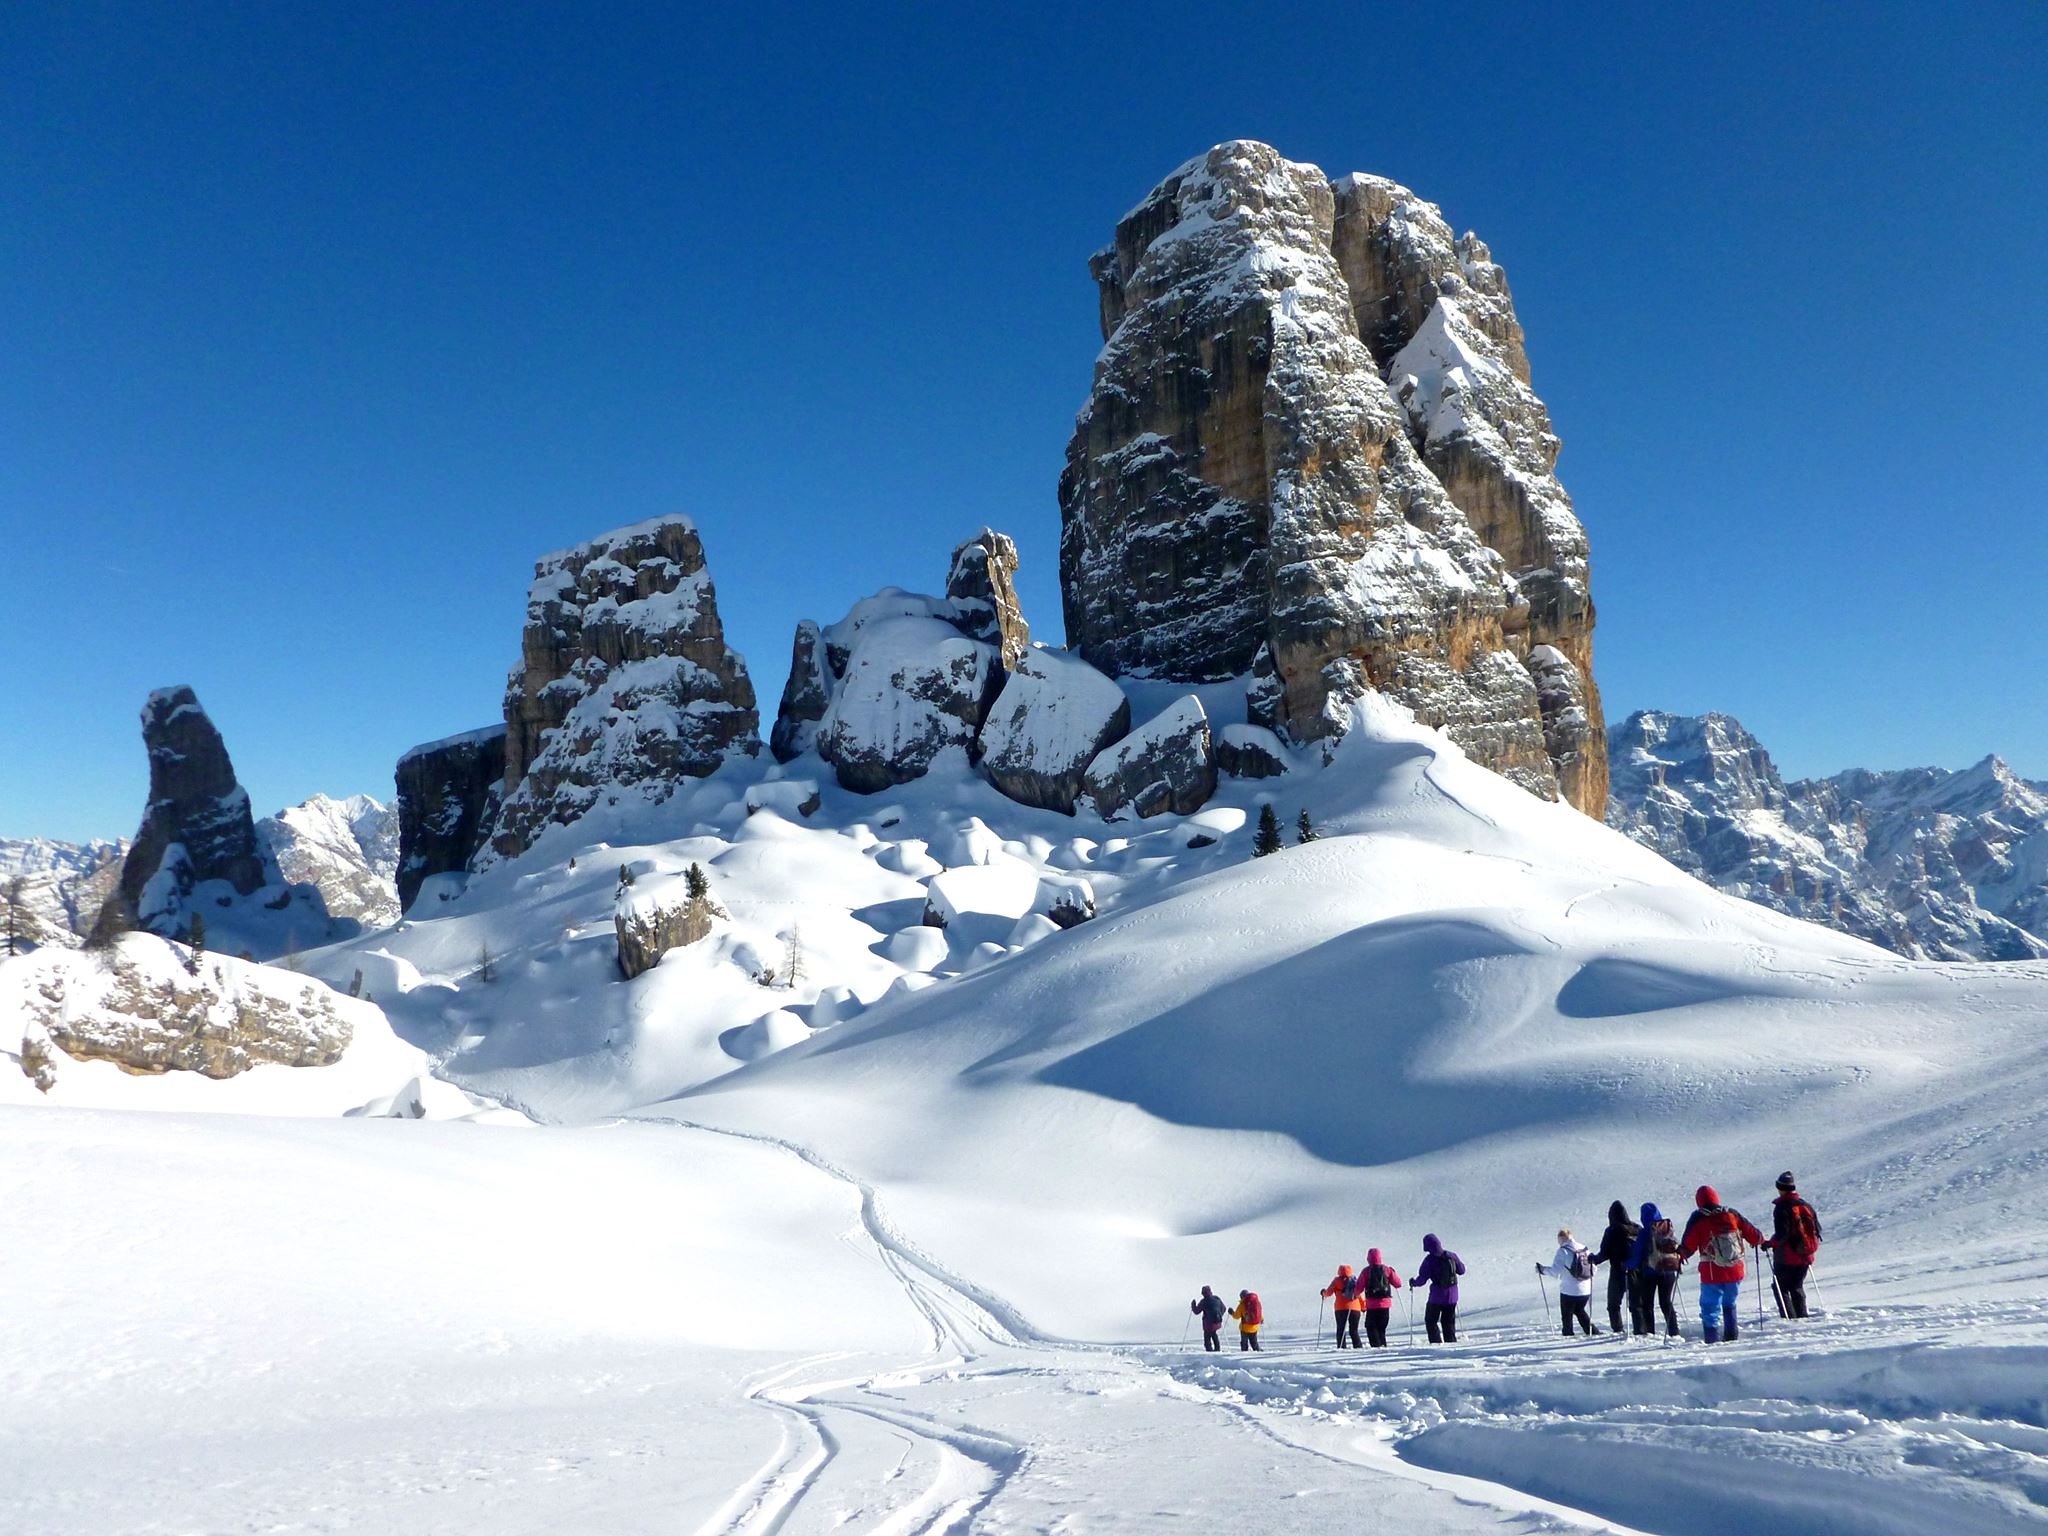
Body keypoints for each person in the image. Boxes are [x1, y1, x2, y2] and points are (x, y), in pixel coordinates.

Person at [1680, 1185, 1765, 1343]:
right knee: (1730, 1302)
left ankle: (1712, 1341)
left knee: (1710, 1308)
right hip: (1735, 1269)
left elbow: (1687, 1247)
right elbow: (1754, 1235)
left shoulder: (1698, 1218)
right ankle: (1731, 1338)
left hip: (1711, 1272)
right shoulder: (1731, 1213)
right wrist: (1760, 1240)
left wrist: (1679, 1255)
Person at [1762, 1171, 1823, 1318]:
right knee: (1796, 1286)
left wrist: (1769, 1244)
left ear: (1780, 1188)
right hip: (1806, 1254)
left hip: (1787, 1256)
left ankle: (1790, 1319)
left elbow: (1782, 1234)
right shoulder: (1805, 1206)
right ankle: (1802, 1316)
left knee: (1780, 1287)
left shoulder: (1782, 1207)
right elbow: (1817, 1229)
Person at [1537, 1228, 1600, 1336]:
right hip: (1585, 1289)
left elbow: (1555, 1272)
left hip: (1569, 1290)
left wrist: (1543, 1270)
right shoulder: (1584, 1248)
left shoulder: (1563, 1251)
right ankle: (1593, 1331)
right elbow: (1594, 1269)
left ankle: (1568, 1333)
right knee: (1579, 1310)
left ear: (1561, 1239)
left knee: (1567, 1314)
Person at [1594, 1200, 1639, 1333]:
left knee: (1613, 1304)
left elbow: (1604, 1253)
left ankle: (1618, 1330)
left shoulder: (1611, 1230)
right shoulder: (1636, 1228)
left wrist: (1594, 1259)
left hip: (1617, 1271)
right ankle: (1640, 1329)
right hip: (1636, 1271)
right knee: (1636, 1303)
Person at [1412, 1234, 1466, 1343]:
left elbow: (1422, 1279)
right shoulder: (1451, 1255)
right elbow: (1462, 1270)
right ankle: (1451, 1344)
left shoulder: (1429, 1260)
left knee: (1430, 1321)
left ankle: (1436, 1344)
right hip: (1452, 1296)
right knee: (1448, 1322)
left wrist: (1414, 1283)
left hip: (1437, 1296)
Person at [1356, 1248, 1403, 1347]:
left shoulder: (1366, 1271)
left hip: (1372, 1305)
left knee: (1371, 1328)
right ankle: (1382, 1348)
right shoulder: (1387, 1269)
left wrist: (1353, 1294)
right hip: (1385, 1305)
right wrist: (1393, 1273)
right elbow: (1398, 1284)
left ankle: (1376, 1348)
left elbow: (1358, 1288)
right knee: (1381, 1329)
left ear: (1368, 1258)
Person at [1321, 1264, 1365, 1348]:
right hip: (1355, 1309)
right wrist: (1363, 1307)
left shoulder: (1337, 1280)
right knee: (1354, 1330)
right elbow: (1359, 1295)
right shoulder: (1354, 1280)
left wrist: (1323, 1293)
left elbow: (1328, 1293)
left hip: (1340, 1309)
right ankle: (1358, 1347)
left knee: (1341, 1329)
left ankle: (1341, 1347)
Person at [1191, 1286, 1227, 1351]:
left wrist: (1193, 1305)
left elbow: (1196, 1311)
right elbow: (1224, 1308)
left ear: (1203, 1293)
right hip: (1217, 1322)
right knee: (1214, 1334)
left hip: (1208, 1324)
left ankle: (1210, 1352)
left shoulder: (1204, 1301)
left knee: (1207, 1339)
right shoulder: (1217, 1298)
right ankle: (1217, 1349)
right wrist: (1220, 1315)